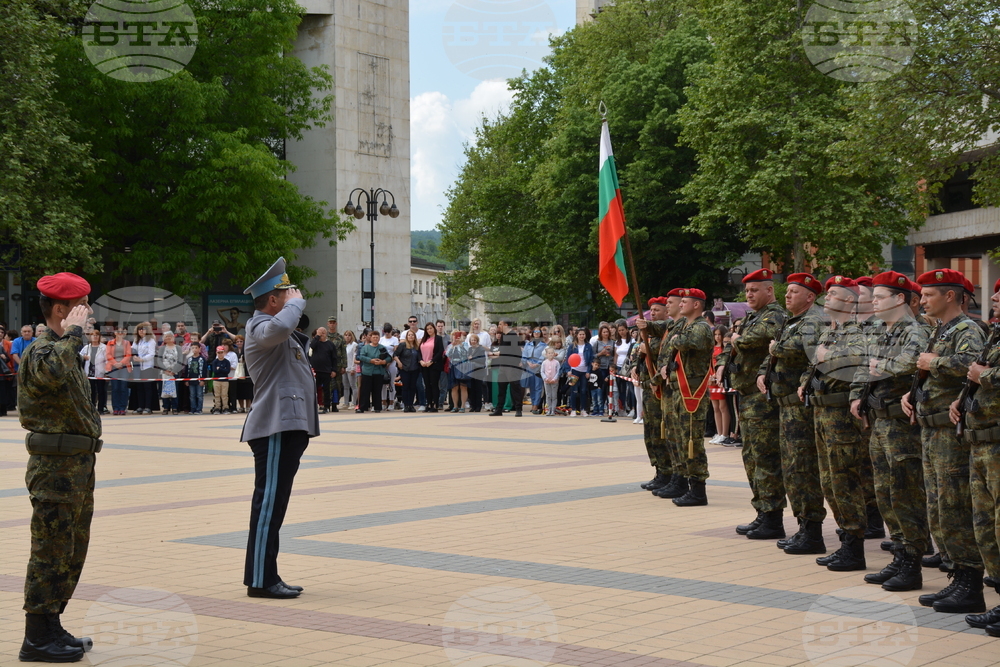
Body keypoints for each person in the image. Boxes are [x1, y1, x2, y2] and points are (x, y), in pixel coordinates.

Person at [17, 272, 99, 662]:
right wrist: (76, 334)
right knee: (50, 552)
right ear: (62, 309)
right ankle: (35, 638)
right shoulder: (42, 348)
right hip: (55, 470)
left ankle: (51, 626)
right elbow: (50, 372)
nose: (90, 314)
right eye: (83, 306)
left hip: (75, 467)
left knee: (69, 551)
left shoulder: (64, 348)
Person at [902, 268, 986, 614]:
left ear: (950, 296)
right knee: (937, 506)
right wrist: (913, 395)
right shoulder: (941, 330)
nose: (922, 301)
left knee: (954, 506)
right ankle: (955, 576)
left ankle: (970, 582)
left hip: (950, 434)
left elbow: (970, 365)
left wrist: (934, 362)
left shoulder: (967, 329)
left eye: (928, 295)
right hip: (931, 429)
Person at [240, 257, 318, 599]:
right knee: (269, 504)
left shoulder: (278, 329)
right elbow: (280, 328)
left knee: (276, 504)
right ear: (273, 300)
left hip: (287, 428)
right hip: (273, 428)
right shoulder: (260, 328)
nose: (294, 296)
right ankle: (260, 580)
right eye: (287, 293)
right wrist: (297, 304)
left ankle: (267, 574)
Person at [852, 271, 930, 591]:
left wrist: (882, 365)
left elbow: (913, 361)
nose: (873, 301)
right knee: (884, 492)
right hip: (880, 420)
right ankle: (898, 554)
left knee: (905, 493)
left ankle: (912, 562)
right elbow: (864, 364)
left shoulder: (913, 329)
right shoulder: (883, 330)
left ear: (899, 298)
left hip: (902, 424)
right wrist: (858, 394)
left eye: (879, 296)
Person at [715, 268, 788, 539]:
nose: (749, 294)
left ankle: (773, 516)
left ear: (769, 291)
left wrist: (737, 340)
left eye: (754, 290)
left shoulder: (775, 315)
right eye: (747, 291)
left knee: (765, 456)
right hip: (746, 395)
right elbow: (728, 346)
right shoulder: (752, 317)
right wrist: (723, 363)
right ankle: (761, 511)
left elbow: (751, 340)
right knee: (751, 456)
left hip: (763, 398)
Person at [802, 275, 868, 572]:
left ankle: (854, 547)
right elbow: (814, 364)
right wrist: (805, 382)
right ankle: (844, 540)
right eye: (826, 294)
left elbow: (854, 362)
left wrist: (828, 356)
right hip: (821, 413)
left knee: (844, 480)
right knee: (829, 480)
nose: (827, 298)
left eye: (834, 294)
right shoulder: (832, 330)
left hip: (840, 416)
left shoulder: (855, 331)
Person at [761, 273, 827, 555]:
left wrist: (778, 348)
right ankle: (803, 527)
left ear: (810, 297)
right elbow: (775, 354)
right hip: (786, 405)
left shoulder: (813, 320)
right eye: (786, 291)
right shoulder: (794, 321)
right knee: (792, 468)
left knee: (803, 468)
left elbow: (809, 354)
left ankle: (812, 532)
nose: (787, 296)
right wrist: (764, 371)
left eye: (794, 292)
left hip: (800, 408)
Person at [950, 277, 1000, 637]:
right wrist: (963, 399)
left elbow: (985, 374)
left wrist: (988, 376)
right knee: (986, 528)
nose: (994, 297)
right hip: (981, 443)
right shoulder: (996, 334)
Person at [664, 288, 715, 506]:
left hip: (692, 392)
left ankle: (698, 489)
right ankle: (684, 481)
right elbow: (674, 340)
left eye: (685, 301)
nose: (680, 304)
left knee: (692, 441)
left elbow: (682, 342)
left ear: (697, 305)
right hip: (680, 391)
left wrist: (677, 338)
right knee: (681, 439)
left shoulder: (701, 327)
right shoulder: (685, 326)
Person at [636, 296, 676, 494]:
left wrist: (645, 347)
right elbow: (639, 355)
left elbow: (657, 353)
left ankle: (667, 472)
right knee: (651, 432)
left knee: (661, 433)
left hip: (659, 390)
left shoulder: (665, 332)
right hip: (647, 387)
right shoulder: (649, 334)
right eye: (651, 310)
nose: (652, 314)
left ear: (667, 313)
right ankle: (659, 470)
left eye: (657, 310)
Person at [490, 318, 526, 417]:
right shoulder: (502, 336)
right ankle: (499, 409)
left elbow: (516, 350)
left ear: (506, 325)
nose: (499, 326)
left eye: (500, 324)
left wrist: (517, 362)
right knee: (501, 389)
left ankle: (518, 409)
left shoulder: (513, 336)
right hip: (502, 365)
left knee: (515, 388)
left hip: (511, 366)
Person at [357, 329, 390, 412]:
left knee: (377, 390)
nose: (375, 339)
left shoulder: (382, 347)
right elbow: (361, 357)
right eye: (373, 337)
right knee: (365, 390)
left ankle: (377, 407)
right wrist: (371, 360)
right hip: (367, 371)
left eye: (377, 337)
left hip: (378, 372)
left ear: (379, 338)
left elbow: (389, 357)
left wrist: (383, 361)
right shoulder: (365, 347)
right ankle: (363, 407)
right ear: (370, 338)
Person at [565, 327, 594, 417]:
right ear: (577, 335)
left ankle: (583, 409)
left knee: (583, 390)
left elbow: (590, 360)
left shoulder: (588, 346)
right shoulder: (572, 346)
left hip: (584, 371)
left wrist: (588, 371)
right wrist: (568, 370)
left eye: (583, 334)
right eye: (580, 334)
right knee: (574, 390)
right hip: (574, 371)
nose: (582, 336)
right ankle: (573, 409)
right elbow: (568, 359)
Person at [709, 326, 730, 444]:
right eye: (715, 334)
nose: (717, 337)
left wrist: (718, 376)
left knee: (723, 407)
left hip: (720, 379)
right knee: (715, 408)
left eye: (719, 334)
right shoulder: (712, 348)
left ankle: (724, 433)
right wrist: (711, 376)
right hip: (712, 380)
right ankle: (718, 432)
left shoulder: (725, 349)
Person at [309, 327, 338, 414]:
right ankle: (313, 405)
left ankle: (326, 406)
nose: (322, 335)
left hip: (326, 370)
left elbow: (334, 358)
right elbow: (311, 347)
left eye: (323, 333)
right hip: (316, 370)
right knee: (314, 389)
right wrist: (317, 336)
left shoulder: (330, 344)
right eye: (320, 333)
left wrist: (334, 370)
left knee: (326, 389)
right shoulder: (315, 343)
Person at [105, 326, 132, 416]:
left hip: (124, 367)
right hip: (113, 368)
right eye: (118, 331)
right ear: (115, 333)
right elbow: (108, 355)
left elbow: (128, 355)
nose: (120, 333)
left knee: (123, 388)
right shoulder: (110, 342)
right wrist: (115, 363)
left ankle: (122, 408)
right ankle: (115, 408)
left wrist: (121, 363)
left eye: (121, 332)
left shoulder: (127, 343)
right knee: (115, 388)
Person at [419, 322, 445, 412]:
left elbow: (440, 351)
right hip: (424, 365)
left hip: (434, 365)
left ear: (434, 328)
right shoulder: (423, 339)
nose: (429, 330)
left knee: (434, 384)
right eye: (427, 329)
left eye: (431, 328)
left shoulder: (438, 339)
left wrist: (432, 361)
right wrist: (421, 361)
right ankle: (428, 404)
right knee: (427, 385)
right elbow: (419, 352)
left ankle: (435, 405)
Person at [80, 330, 108, 415]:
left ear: (99, 337)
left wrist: (106, 372)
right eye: (93, 335)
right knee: (91, 391)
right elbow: (79, 356)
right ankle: (91, 408)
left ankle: (100, 409)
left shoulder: (104, 347)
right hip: (89, 373)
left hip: (100, 372)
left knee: (101, 391)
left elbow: (107, 360)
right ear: (90, 337)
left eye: (97, 335)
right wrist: (83, 357)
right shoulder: (87, 347)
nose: (95, 337)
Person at [131, 322, 157, 415]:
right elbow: (133, 349)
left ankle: (148, 407)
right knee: (139, 387)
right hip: (138, 367)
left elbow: (152, 354)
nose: (141, 331)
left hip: (147, 366)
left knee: (147, 387)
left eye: (143, 329)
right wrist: (134, 356)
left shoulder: (151, 341)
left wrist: (142, 359)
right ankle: (140, 406)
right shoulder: (136, 340)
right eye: (140, 329)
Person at [394, 330, 422, 412]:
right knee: (405, 387)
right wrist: (399, 363)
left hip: (415, 369)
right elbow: (395, 355)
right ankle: (406, 405)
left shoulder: (417, 346)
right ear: (406, 336)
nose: (411, 336)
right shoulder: (402, 345)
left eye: (412, 335)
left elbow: (419, 357)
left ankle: (411, 405)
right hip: (405, 369)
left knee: (412, 387)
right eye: (409, 335)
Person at [157, 332, 185, 415]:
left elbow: (180, 360)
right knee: (164, 390)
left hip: (174, 373)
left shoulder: (178, 348)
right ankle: (165, 407)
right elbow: (159, 360)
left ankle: (175, 407)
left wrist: (174, 371)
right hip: (164, 373)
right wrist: (165, 369)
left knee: (175, 390)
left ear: (173, 338)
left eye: (170, 336)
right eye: (166, 336)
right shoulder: (162, 348)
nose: (168, 338)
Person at [522, 327, 547, 414]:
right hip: (529, 368)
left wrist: (537, 364)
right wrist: (528, 362)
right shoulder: (528, 344)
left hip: (538, 368)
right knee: (531, 387)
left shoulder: (544, 345)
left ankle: (536, 405)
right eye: (535, 331)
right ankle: (533, 403)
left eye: (538, 331)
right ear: (532, 333)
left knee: (538, 387)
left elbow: (544, 356)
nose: (536, 333)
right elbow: (524, 355)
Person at [591, 324, 614, 416]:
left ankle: (609, 407)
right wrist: (601, 353)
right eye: (604, 332)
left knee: (609, 387)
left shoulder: (613, 342)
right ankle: (600, 407)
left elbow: (614, 353)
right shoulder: (597, 343)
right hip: (600, 367)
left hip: (610, 366)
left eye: (607, 332)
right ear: (600, 333)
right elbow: (593, 356)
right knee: (600, 387)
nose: (606, 333)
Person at [447, 330, 470, 412]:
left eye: (457, 335)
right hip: (453, 366)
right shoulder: (450, 345)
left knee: (463, 386)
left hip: (462, 366)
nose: (456, 337)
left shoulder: (465, 344)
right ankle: (455, 406)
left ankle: (463, 406)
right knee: (454, 387)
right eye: (454, 335)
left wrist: (460, 344)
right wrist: (453, 346)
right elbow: (447, 355)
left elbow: (467, 354)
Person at [326, 317, 347, 410]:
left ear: (336, 324)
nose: (332, 324)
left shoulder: (340, 338)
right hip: (326, 364)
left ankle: (335, 404)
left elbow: (343, 352)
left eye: (334, 322)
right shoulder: (324, 337)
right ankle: (326, 404)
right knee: (327, 385)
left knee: (337, 385)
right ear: (328, 324)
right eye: (330, 322)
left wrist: (344, 366)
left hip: (337, 364)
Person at [379, 323, 399, 411]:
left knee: (391, 383)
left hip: (392, 363)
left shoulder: (395, 339)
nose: (387, 333)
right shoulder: (381, 339)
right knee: (382, 384)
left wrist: (389, 361)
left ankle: (391, 402)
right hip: (382, 362)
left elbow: (396, 352)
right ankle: (383, 402)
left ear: (391, 331)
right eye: (385, 332)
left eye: (388, 332)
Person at [466, 333, 488, 412]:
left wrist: (473, 358)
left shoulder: (481, 349)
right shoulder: (469, 349)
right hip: (471, 370)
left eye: (475, 340)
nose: (473, 342)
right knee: (471, 389)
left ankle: (478, 406)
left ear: (477, 341)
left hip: (479, 371)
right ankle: (473, 405)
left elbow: (482, 360)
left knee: (478, 389)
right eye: (472, 340)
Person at [232, 334, 253, 413]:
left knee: (248, 390)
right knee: (240, 390)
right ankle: (241, 407)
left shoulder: (247, 350)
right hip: (238, 373)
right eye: (237, 342)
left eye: (241, 341)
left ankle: (248, 406)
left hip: (247, 372)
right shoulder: (234, 351)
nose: (239, 343)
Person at [209, 345, 232, 414]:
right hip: (216, 380)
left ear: (224, 353)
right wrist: (223, 369)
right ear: (216, 353)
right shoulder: (215, 362)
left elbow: (227, 371)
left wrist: (220, 368)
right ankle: (217, 408)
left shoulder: (227, 362)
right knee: (217, 395)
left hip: (225, 380)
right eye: (219, 353)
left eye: (221, 352)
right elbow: (215, 371)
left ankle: (225, 407)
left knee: (224, 395)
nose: (220, 354)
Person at [185, 342, 208, 414]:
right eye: (193, 348)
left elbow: (204, 370)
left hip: (199, 380)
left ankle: (199, 409)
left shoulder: (202, 359)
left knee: (199, 395)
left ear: (199, 349)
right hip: (191, 380)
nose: (194, 349)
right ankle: (193, 408)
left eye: (196, 348)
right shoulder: (189, 359)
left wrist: (203, 380)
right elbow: (186, 370)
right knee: (192, 395)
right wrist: (186, 380)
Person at [541, 346, 560, 416]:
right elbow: (542, 372)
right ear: (546, 354)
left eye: (552, 353)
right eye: (549, 353)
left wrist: (554, 379)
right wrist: (545, 378)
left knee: (554, 396)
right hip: (546, 381)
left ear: (554, 354)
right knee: (548, 395)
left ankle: (553, 410)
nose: (551, 354)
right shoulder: (544, 363)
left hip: (554, 382)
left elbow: (558, 371)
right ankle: (549, 409)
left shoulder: (557, 362)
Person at [343, 330, 358, 408]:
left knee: (353, 385)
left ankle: (354, 402)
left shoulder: (354, 345)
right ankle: (346, 402)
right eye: (346, 335)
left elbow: (354, 357)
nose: (347, 337)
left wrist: (353, 368)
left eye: (349, 335)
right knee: (345, 386)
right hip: (345, 368)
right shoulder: (344, 345)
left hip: (351, 368)